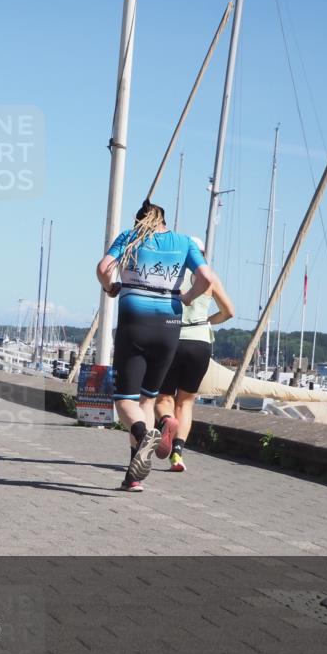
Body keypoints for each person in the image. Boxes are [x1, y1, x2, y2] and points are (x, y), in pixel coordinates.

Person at [96, 201, 214, 492]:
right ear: (164, 221)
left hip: (135, 321)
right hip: (170, 325)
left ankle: (143, 432)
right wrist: (186, 297)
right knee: (147, 400)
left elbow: (103, 268)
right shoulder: (184, 242)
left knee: (125, 400)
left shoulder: (130, 238)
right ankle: (133, 476)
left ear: (140, 222)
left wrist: (109, 286)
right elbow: (207, 278)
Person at [154, 237, 235, 473]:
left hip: (172, 339)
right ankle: (177, 454)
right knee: (186, 401)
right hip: (200, 342)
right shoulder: (210, 278)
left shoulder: (170, 276)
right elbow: (229, 312)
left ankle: (165, 422)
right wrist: (207, 321)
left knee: (164, 399)